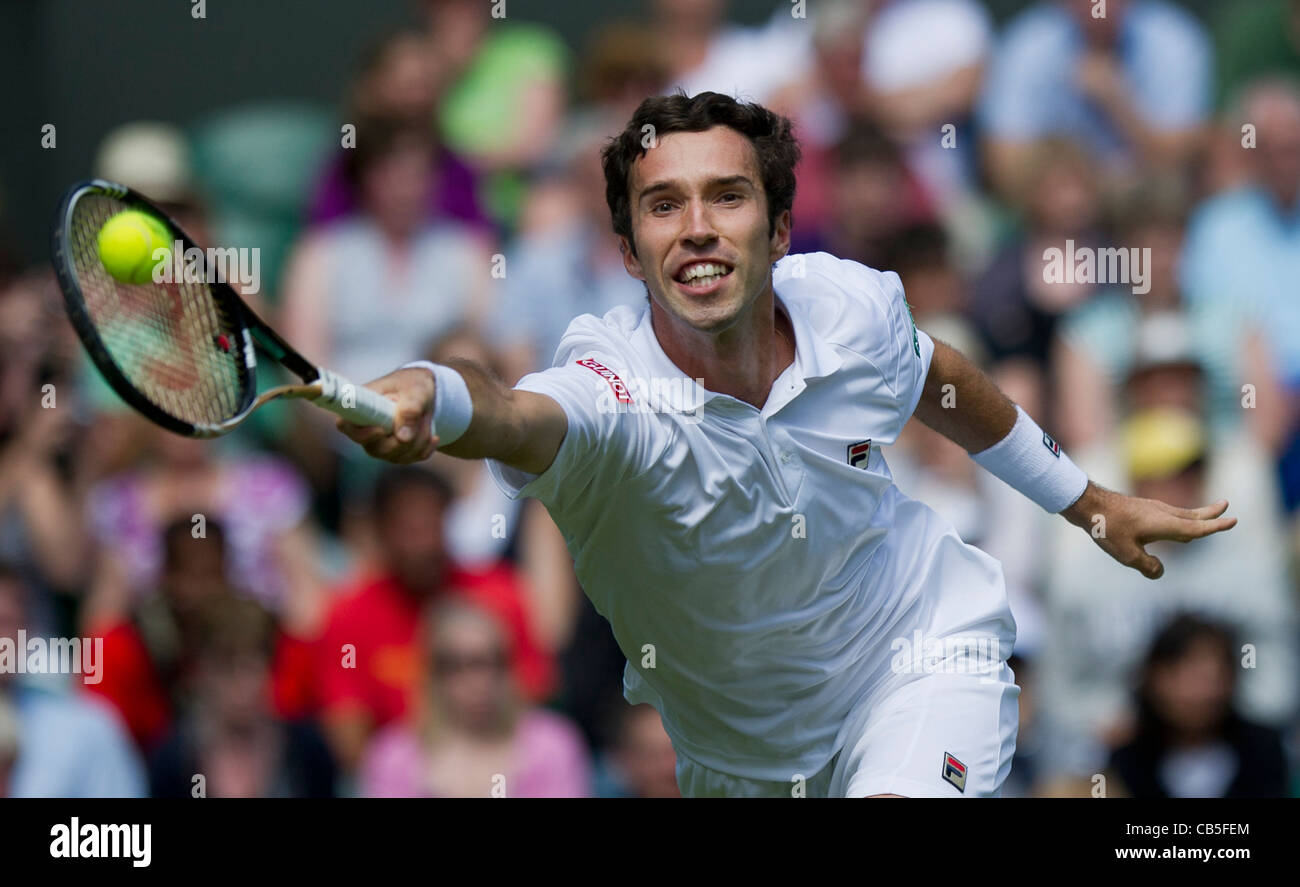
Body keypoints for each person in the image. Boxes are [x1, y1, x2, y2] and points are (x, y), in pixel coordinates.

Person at [337, 92, 1236, 798]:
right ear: (626, 248)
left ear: (778, 231)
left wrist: (1085, 501)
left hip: (915, 651)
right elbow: (516, 414)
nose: (696, 224)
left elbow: (937, 379)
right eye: (662, 205)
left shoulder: (849, 307)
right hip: (740, 758)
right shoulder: (607, 391)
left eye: (727, 195)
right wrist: (439, 393)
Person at [360, 599, 590, 797]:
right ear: (434, 675)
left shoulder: (551, 745)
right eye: (457, 664)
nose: (477, 680)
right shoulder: (395, 756)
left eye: (489, 662)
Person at [1109, 614, 1290, 798]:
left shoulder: (1264, 751)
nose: (1200, 693)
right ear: (1153, 678)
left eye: (1211, 677)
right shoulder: (1124, 758)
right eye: (1185, 677)